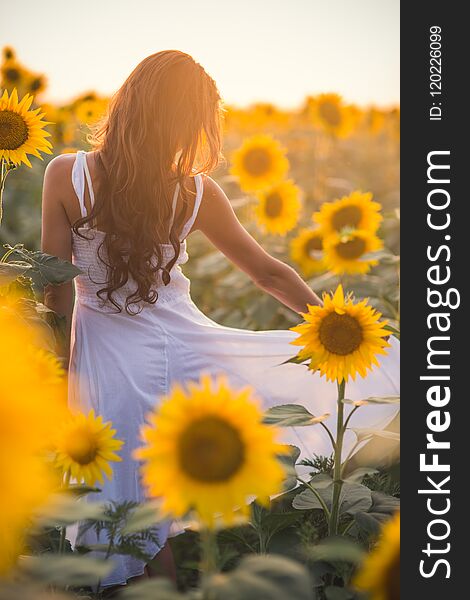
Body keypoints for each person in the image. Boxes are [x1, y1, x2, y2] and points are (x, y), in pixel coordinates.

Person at [41, 50, 399, 589]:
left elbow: (57, 283)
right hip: (185, 346)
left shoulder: (65, 175)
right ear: (191, 122)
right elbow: (266, 272)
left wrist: (63, 367)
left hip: (109, 354)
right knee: (184, 466)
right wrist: (335, 326)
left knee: (119, 495)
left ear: (129, 103)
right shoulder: (193, 191)